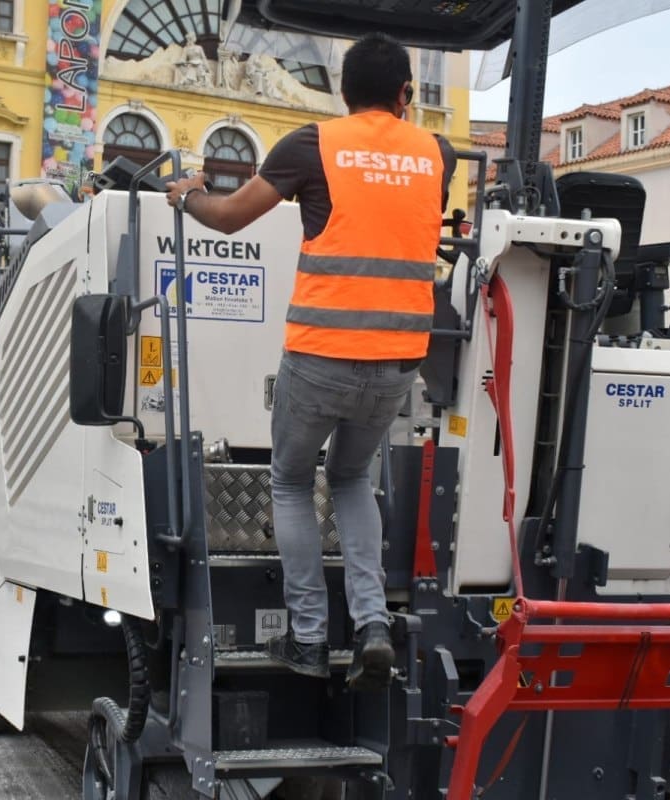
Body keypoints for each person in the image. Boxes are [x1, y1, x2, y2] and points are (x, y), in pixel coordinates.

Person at [164, 33, 455, 690]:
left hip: (322, 353)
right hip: (399, 360)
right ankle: (373, 624)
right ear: (405, 93)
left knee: (293, 481)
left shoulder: (312, 144)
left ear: (343, 93)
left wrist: (186, 195)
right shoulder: (436, 153)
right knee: (351, 479)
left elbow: (231, 217)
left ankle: (309, 637)